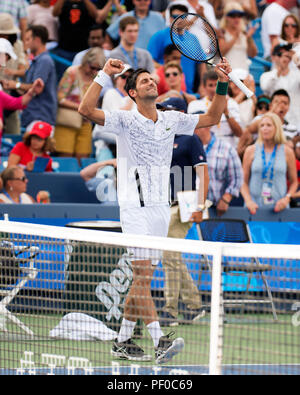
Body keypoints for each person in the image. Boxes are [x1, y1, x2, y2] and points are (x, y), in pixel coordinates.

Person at [78, 56, 232, 363]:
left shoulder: (172, 119)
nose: (151, 81)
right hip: (134, 206)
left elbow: (214, 115)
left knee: (142, 280)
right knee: (143, 274)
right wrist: (103, 75)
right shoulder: (123, 120)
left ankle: (122, 341)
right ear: (133, 93)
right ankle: (160, 339)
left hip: (161, 207)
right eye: (143, 80)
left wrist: (223, 80)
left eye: (152, 79)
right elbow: (85, 110)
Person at [157, 98, 209, 327]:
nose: (162, 114)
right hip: (165, 204)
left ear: (179, 113)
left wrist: (200, 206)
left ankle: (169, 311)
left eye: (167, 110)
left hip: (185, 203)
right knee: (172, 256)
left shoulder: (191, 138)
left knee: (169, 256)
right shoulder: (162, 138)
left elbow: (203, 173)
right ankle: (194, 305)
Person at [1, 25, 57, 130]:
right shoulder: (38, 60)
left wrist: (16, 85)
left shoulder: (44, 60)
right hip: (34, 115)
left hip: (40, 117)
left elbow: (37, 88)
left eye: (27, 39)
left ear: (37, 40)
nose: (25, 43)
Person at [241, 112, 298, 214]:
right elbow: (243, 182)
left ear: (277, 128)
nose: (264, 128)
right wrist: (248, 201)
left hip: (280, 208)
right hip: (254, 208)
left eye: (269, 125)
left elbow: (294, 182)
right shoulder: (250, 150)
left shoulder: (287, 151)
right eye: (262, 125)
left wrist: (287, 199)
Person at [54, 47, 105, 161]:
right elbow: (60, 97)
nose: (94, 71)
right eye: (92, 67)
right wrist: (81, 107)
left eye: (98, 69)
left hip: (86, 122)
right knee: (65, 158)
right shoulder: (72, 72)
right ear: (85, 61)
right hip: (68, 121)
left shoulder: (97, 78)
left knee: (83, 158)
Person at [147, 3, 203, 94]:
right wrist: (170, 69)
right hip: (165, 91)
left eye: (183, 16)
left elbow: (201, 64)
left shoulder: (193, 38)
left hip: (189, 91)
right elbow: (150, 61)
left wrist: (202, 86)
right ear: (169, 18)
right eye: (175, 16)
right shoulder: (159, 36)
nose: (179, 19)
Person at [195, 118, 243, 216]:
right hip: (190, 206)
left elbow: (237, 178)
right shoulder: (186, 147)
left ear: (207, 126)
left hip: (215, 207)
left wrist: (226, 198)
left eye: (196, 126)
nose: (192, 130)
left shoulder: (226, 148)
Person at [188, 69, 243, 148]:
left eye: (217, 85)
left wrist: (226, 112)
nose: (214, 89)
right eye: (210, 85)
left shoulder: (232, 103)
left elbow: (239, 133)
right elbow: (192, 132)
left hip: (228, 147)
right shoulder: (195, 105)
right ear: (203, 87)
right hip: (204, 148)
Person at [237, 89, 299, 159]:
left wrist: (293, 142)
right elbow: (249, 129)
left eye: (285, 103)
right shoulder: (260, 119)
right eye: (277, 102)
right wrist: (271, 111)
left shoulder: (293, 129)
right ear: (270, 105)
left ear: (288, 107)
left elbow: (297, 154)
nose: (281, 106)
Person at [52, 0, 98, 80]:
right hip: (64, 49)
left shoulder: (86, 4)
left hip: (83, 50)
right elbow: (54, 13)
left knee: (82, 79)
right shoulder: (63, 3)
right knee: (63, 79)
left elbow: (95, 15)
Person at [260, 43, 300, 129]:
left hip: (296, 121)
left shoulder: (297, 74)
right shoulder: (266, 76)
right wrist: (279, 70)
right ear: (273, 57)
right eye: (280, 54)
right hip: (275, 122)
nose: (284, 58)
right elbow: (266, 87)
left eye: (287, 55)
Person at [0, 15, 28, 135]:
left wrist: (13, 78)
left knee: (14, 134)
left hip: (10, 95)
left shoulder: (18, 45)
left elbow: (24, 69)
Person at [218, 1, 257, 72]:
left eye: (239, 15)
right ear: (226, 17)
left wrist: (249, 38)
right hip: (227, 75)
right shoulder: (221, 32)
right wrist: (235, 37)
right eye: (232, 15)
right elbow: (221, 52)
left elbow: (253, 54)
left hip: (243, 74)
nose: (236, 18)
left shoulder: (244, 33)